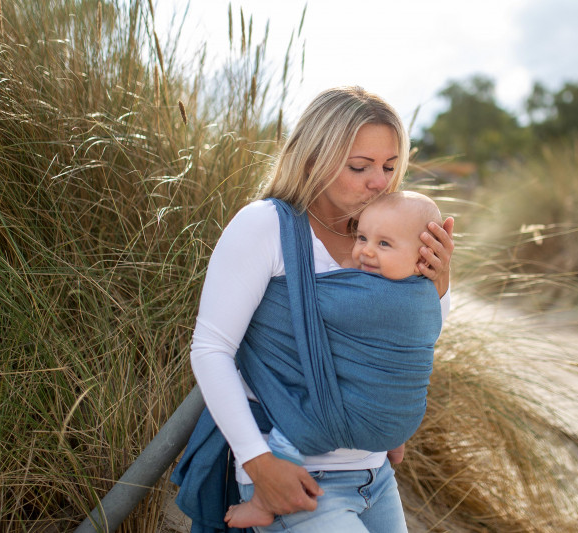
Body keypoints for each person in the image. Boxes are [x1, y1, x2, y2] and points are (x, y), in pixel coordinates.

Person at [171, 86, 455, 533]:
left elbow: (410, 338)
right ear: (312, 159)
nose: (379, 181)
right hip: (297, 475)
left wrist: (438, 284)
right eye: (360, 166)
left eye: (389, 166)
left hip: (374, 475)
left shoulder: (389, 232)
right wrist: (259, 463)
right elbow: (210, 349)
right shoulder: (266, 226)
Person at [223, 191, 444, 529]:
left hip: (369, 463)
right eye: (362, 237)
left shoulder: (376, 296)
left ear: (424, 255)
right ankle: (268, 497)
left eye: (384, 244)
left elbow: (306, 301)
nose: (366, 250)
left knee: (296, 425)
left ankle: (265, 503)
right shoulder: (426, 294)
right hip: (346, 458)